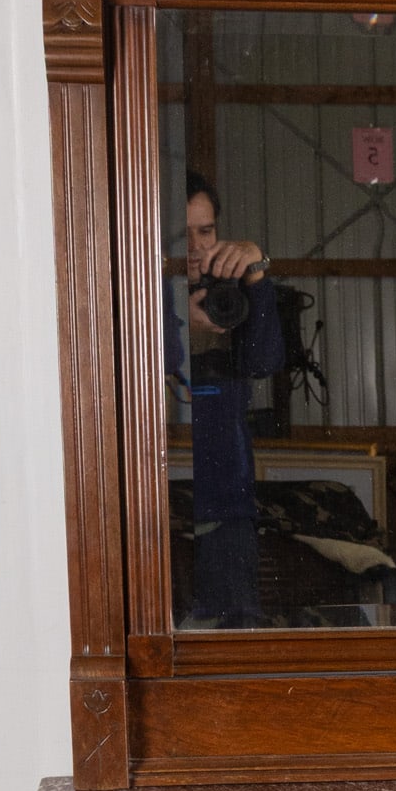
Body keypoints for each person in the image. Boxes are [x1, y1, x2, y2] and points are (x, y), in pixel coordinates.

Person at [168, 172, 284, 625]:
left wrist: (256, 274)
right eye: (183, 234)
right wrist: (179, 319)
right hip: (159, 502)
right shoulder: (139, 293)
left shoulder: (227, 291)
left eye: (206, 231)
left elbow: (266, 360)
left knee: (235, 629)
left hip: (227, 504)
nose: (196, 246)